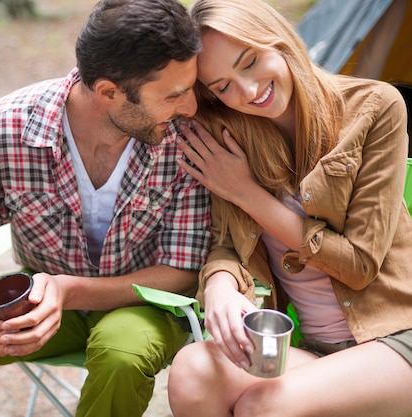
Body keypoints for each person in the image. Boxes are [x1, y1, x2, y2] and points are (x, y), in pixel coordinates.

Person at [0, 0, 211, 416]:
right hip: (36, 303)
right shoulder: (2, 129)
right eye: (174, 95)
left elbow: (182, 269)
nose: (190, 107)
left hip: (141, 305)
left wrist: (69, 290)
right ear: (109, 92)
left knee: (121, 353)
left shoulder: (187, 138)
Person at [168, 0, 412, 416]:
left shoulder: (374, 107)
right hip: (315, 352)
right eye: (223, 86)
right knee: (192, 371)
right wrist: (220, 286)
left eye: (250, 62)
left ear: (277, 40)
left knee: (260, 407)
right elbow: (227, 243)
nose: (247, 91)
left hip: (393, 338)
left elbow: (359, 264)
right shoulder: (233, 135)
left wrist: (248, 193)